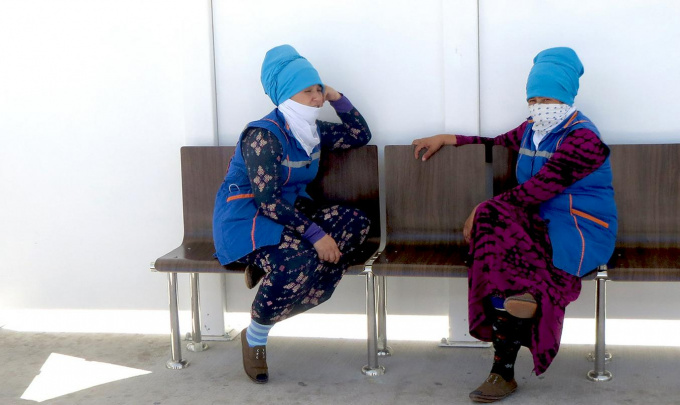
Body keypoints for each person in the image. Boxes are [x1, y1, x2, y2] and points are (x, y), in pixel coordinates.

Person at [412, 47, 617, 403]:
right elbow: (493, 141)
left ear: (566, 97)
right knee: (498, 240)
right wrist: (448, 138)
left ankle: (504, 366)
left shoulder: (583, 138)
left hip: (581, 227)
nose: (539, 106)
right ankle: (514, 322)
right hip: (538, 221)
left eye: (547, 99)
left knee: (501, 232)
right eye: (533, 99)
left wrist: (483, 206)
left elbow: (539, 189)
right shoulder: (531, 129)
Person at [212, 45, 372, 384]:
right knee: (297, 260)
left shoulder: (311, 130)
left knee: (356, 223)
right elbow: (267, 202)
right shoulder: (263, 135)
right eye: (307, 91)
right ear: (286, 95)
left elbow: (360, 136)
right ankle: (256, 335)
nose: (316, 98)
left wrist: (336, 96)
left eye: (318, 89)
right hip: (248, 219)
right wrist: (317, 236)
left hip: (290, 214)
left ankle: (274, 274)